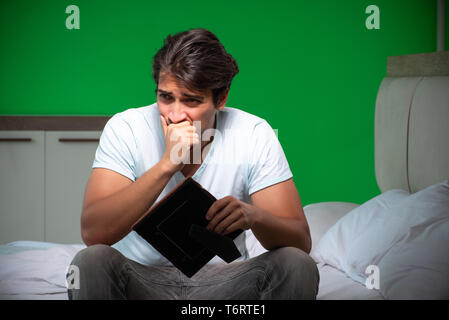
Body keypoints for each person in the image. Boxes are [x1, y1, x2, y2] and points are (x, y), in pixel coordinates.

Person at [68, 28, 319, 300]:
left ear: (221, 98)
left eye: (191, 101)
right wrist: (167, 165)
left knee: (297, 264)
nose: (175, 115)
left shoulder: (254, 133)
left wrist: (254, 216)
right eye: (166, 97)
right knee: (90, 261)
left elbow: (300, 242)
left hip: (225, 283)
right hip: (141, 280)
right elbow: (94, 232)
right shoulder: (126, 128)